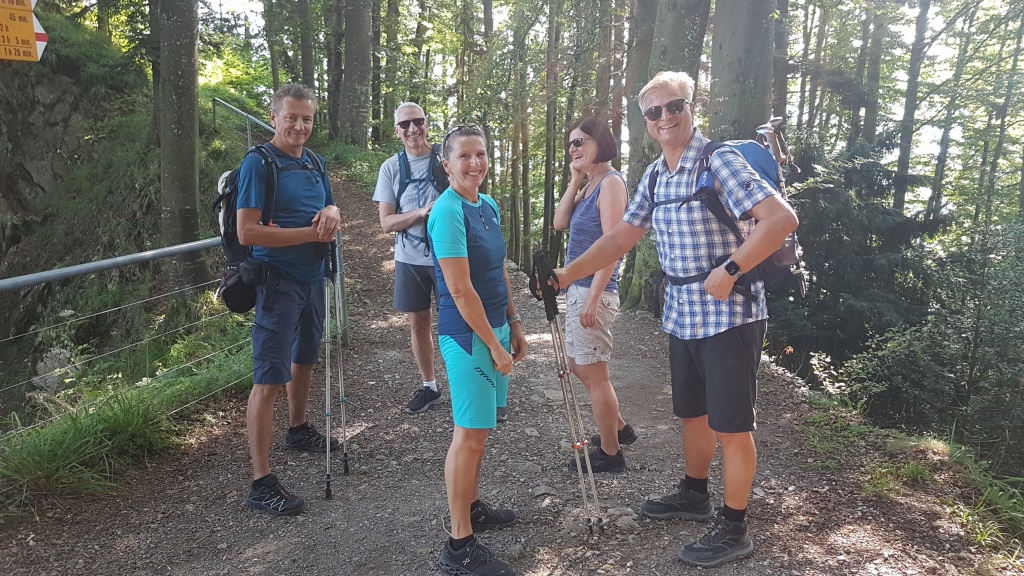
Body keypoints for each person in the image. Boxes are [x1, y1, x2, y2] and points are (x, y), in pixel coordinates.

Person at [547, 71, 798, 567]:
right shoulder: (656, 175)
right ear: (646, 121)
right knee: (694, 414)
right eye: (654, 112)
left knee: (731, 426)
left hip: (731, 315)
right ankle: (695, 494)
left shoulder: (718, 160)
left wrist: (732, 269)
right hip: (683, 315)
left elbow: (780, 219)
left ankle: (734, 527)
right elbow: (622, 237)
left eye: (674, 106)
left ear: (690, 108)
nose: (665, 117)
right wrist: (566, 274)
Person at [236, 83, 340, 516]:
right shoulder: (258, 164)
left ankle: (298, 430)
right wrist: (311, 234)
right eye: (291, 117)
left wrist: (333, 213)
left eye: (307, 118)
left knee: (305, 357)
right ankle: (261, 483)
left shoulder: (314, 162)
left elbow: (331, 207)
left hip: (312, 278)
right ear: (274, 117)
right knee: (268, 378)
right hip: (276, 283)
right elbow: (247, 231)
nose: (300, 125)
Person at [428, 124, 527, 576]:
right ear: (446, 164)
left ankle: (471, 506)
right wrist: (493, 345)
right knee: (468, 434)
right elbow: (460, 290)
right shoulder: (447, 211)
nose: (475, 163)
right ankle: (459, 545)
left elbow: (498, 270)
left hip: (496, 329)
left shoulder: (487, 205)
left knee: (482, 430)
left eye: (480, 154)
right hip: (467, 336)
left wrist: (514, 325)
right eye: (464, 156)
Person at [551, 117, 635, 473]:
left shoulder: (612, 184)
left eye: (581, 141)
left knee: (596, 375)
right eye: (570, 143)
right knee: (577, 364)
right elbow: (559, 223)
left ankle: (611, 453)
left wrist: (593, 297)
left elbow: (614, 245)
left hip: (594, 291)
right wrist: (575, 179)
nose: (574, 148)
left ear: (601, 142)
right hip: (579, 288)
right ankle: (619, 428)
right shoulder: (590, 186)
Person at [373, 102, 449, 415]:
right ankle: (429, 386)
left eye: (418, 121)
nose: (413, 129)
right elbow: (386, 222)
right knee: (418, 323)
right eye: (405, 124)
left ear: (427, 123)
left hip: (449, 257)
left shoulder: (446, 159)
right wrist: (420, 213)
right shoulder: (391, 168)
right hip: (409, 258)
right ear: (397, 131)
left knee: (460, 321)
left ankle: (470, 384)